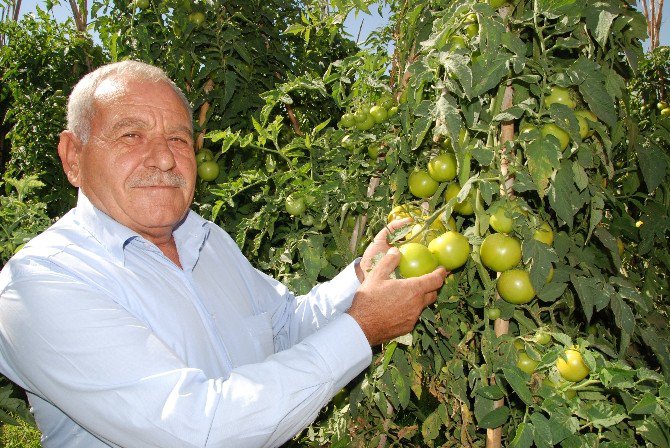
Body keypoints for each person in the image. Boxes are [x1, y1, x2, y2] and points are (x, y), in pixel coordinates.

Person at [0, 60, 446, 447]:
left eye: (178, 139)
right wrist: (360, 329)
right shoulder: (40, 285)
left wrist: (361, 274)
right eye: (130, 135)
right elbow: (199, 430)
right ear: (73, 157)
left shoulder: (206, 238)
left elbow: (284, 326)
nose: (164, 159)